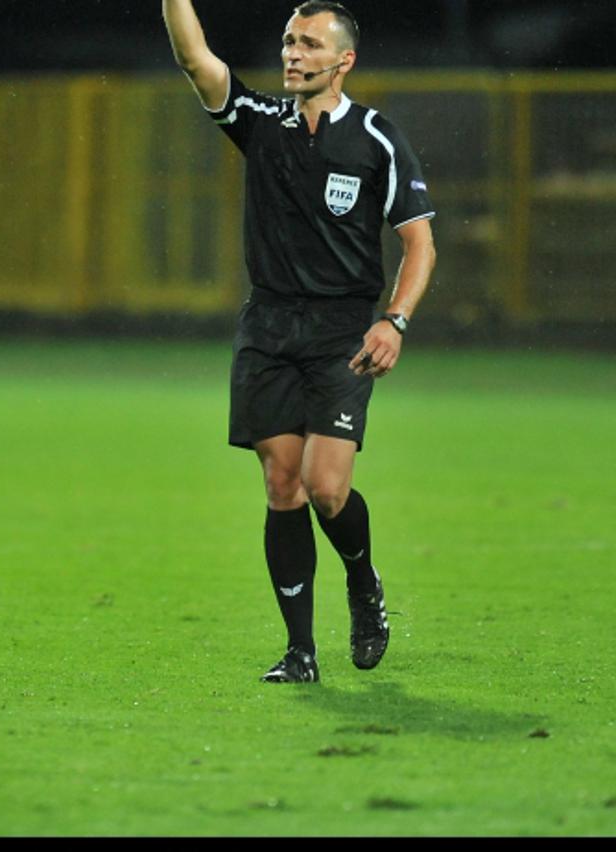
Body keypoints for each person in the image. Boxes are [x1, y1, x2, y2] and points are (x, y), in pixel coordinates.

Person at [162, 2, 438, 682]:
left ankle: (363, 582)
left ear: (342, 61)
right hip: (268, 326)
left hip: (342, 329)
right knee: (281, 485)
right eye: (289, 41)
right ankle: (300, 652)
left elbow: (419, 241)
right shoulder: (261, 124)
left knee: (325, 488)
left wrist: (394, 319)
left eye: (309, 44)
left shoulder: (375, 135)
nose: (292, 53)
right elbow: (196, 61)